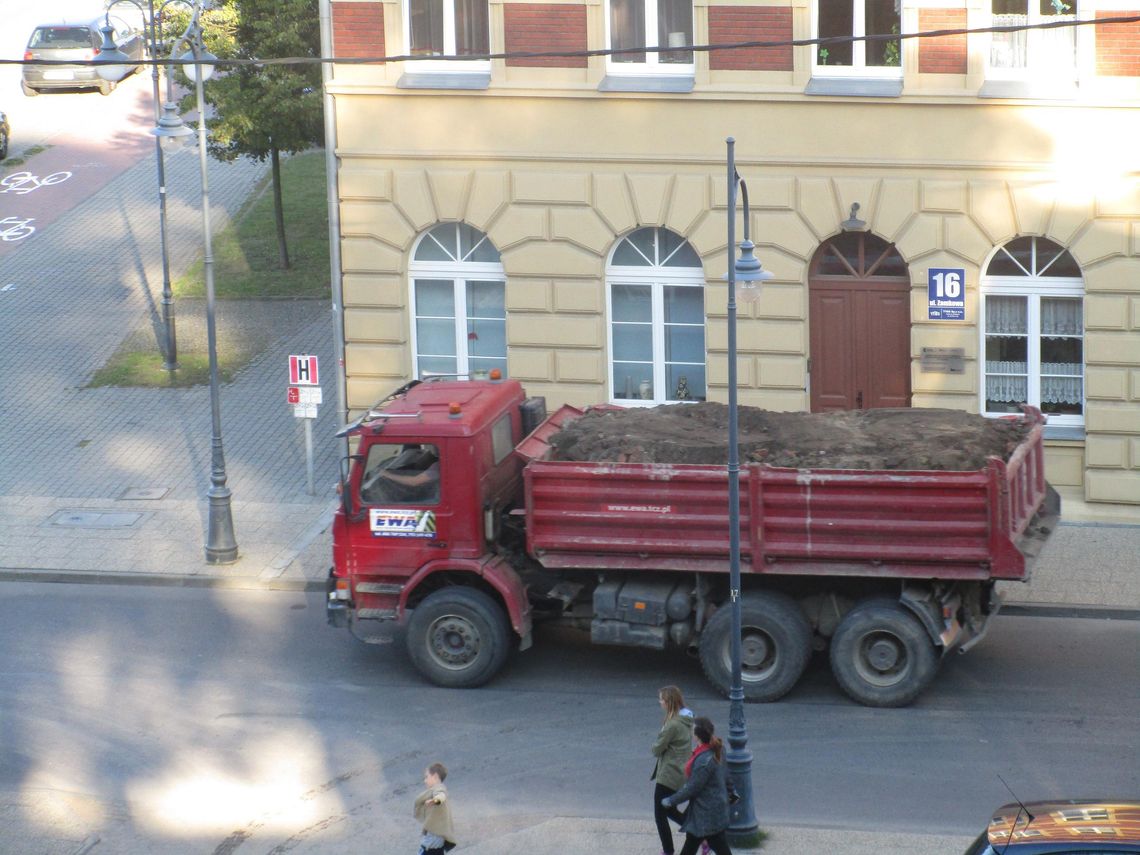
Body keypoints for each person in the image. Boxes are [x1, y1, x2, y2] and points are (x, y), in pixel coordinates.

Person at [661, 717, 734, 855]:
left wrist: (671, 800)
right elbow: (726, 776)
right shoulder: (718, 750)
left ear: (697, 736)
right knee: (702, 842)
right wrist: (732, 792)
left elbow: (692, 788)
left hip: (705, 816)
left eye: (692, 730)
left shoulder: (703, 761)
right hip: (711, 812)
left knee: (711, 843)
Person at [651, 685, 695, 855]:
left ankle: (668, 851)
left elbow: (656, 749)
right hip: (681, 773)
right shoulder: (686, 720)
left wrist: (656, 744)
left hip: (668, 775)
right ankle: (700, 834)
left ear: (669, 702)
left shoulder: (672, 725)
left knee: (660, 815)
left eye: (661, 699)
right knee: (668, 810)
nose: (660, 702)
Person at [413, 762, 456, 854]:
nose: (425, 780)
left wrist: (435, 801)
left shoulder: (439, 789)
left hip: (434, 837)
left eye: (427, 777)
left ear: (435, 776)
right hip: (435, 837)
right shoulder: (434, 790)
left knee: (428, 851)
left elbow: (441, 796)